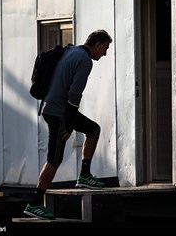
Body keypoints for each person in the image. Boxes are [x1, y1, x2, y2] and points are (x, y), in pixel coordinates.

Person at [23, 29, 113, 220]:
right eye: (104, 49)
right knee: (54, 160)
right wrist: (69, 124)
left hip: (53, 109)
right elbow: (74, 94)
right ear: (97, 45)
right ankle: (34, 203)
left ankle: (85, 175)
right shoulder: (85, 60)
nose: (104, 54)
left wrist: (70, 121)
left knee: (93, 129)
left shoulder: (72, 50)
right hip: (59, 112)